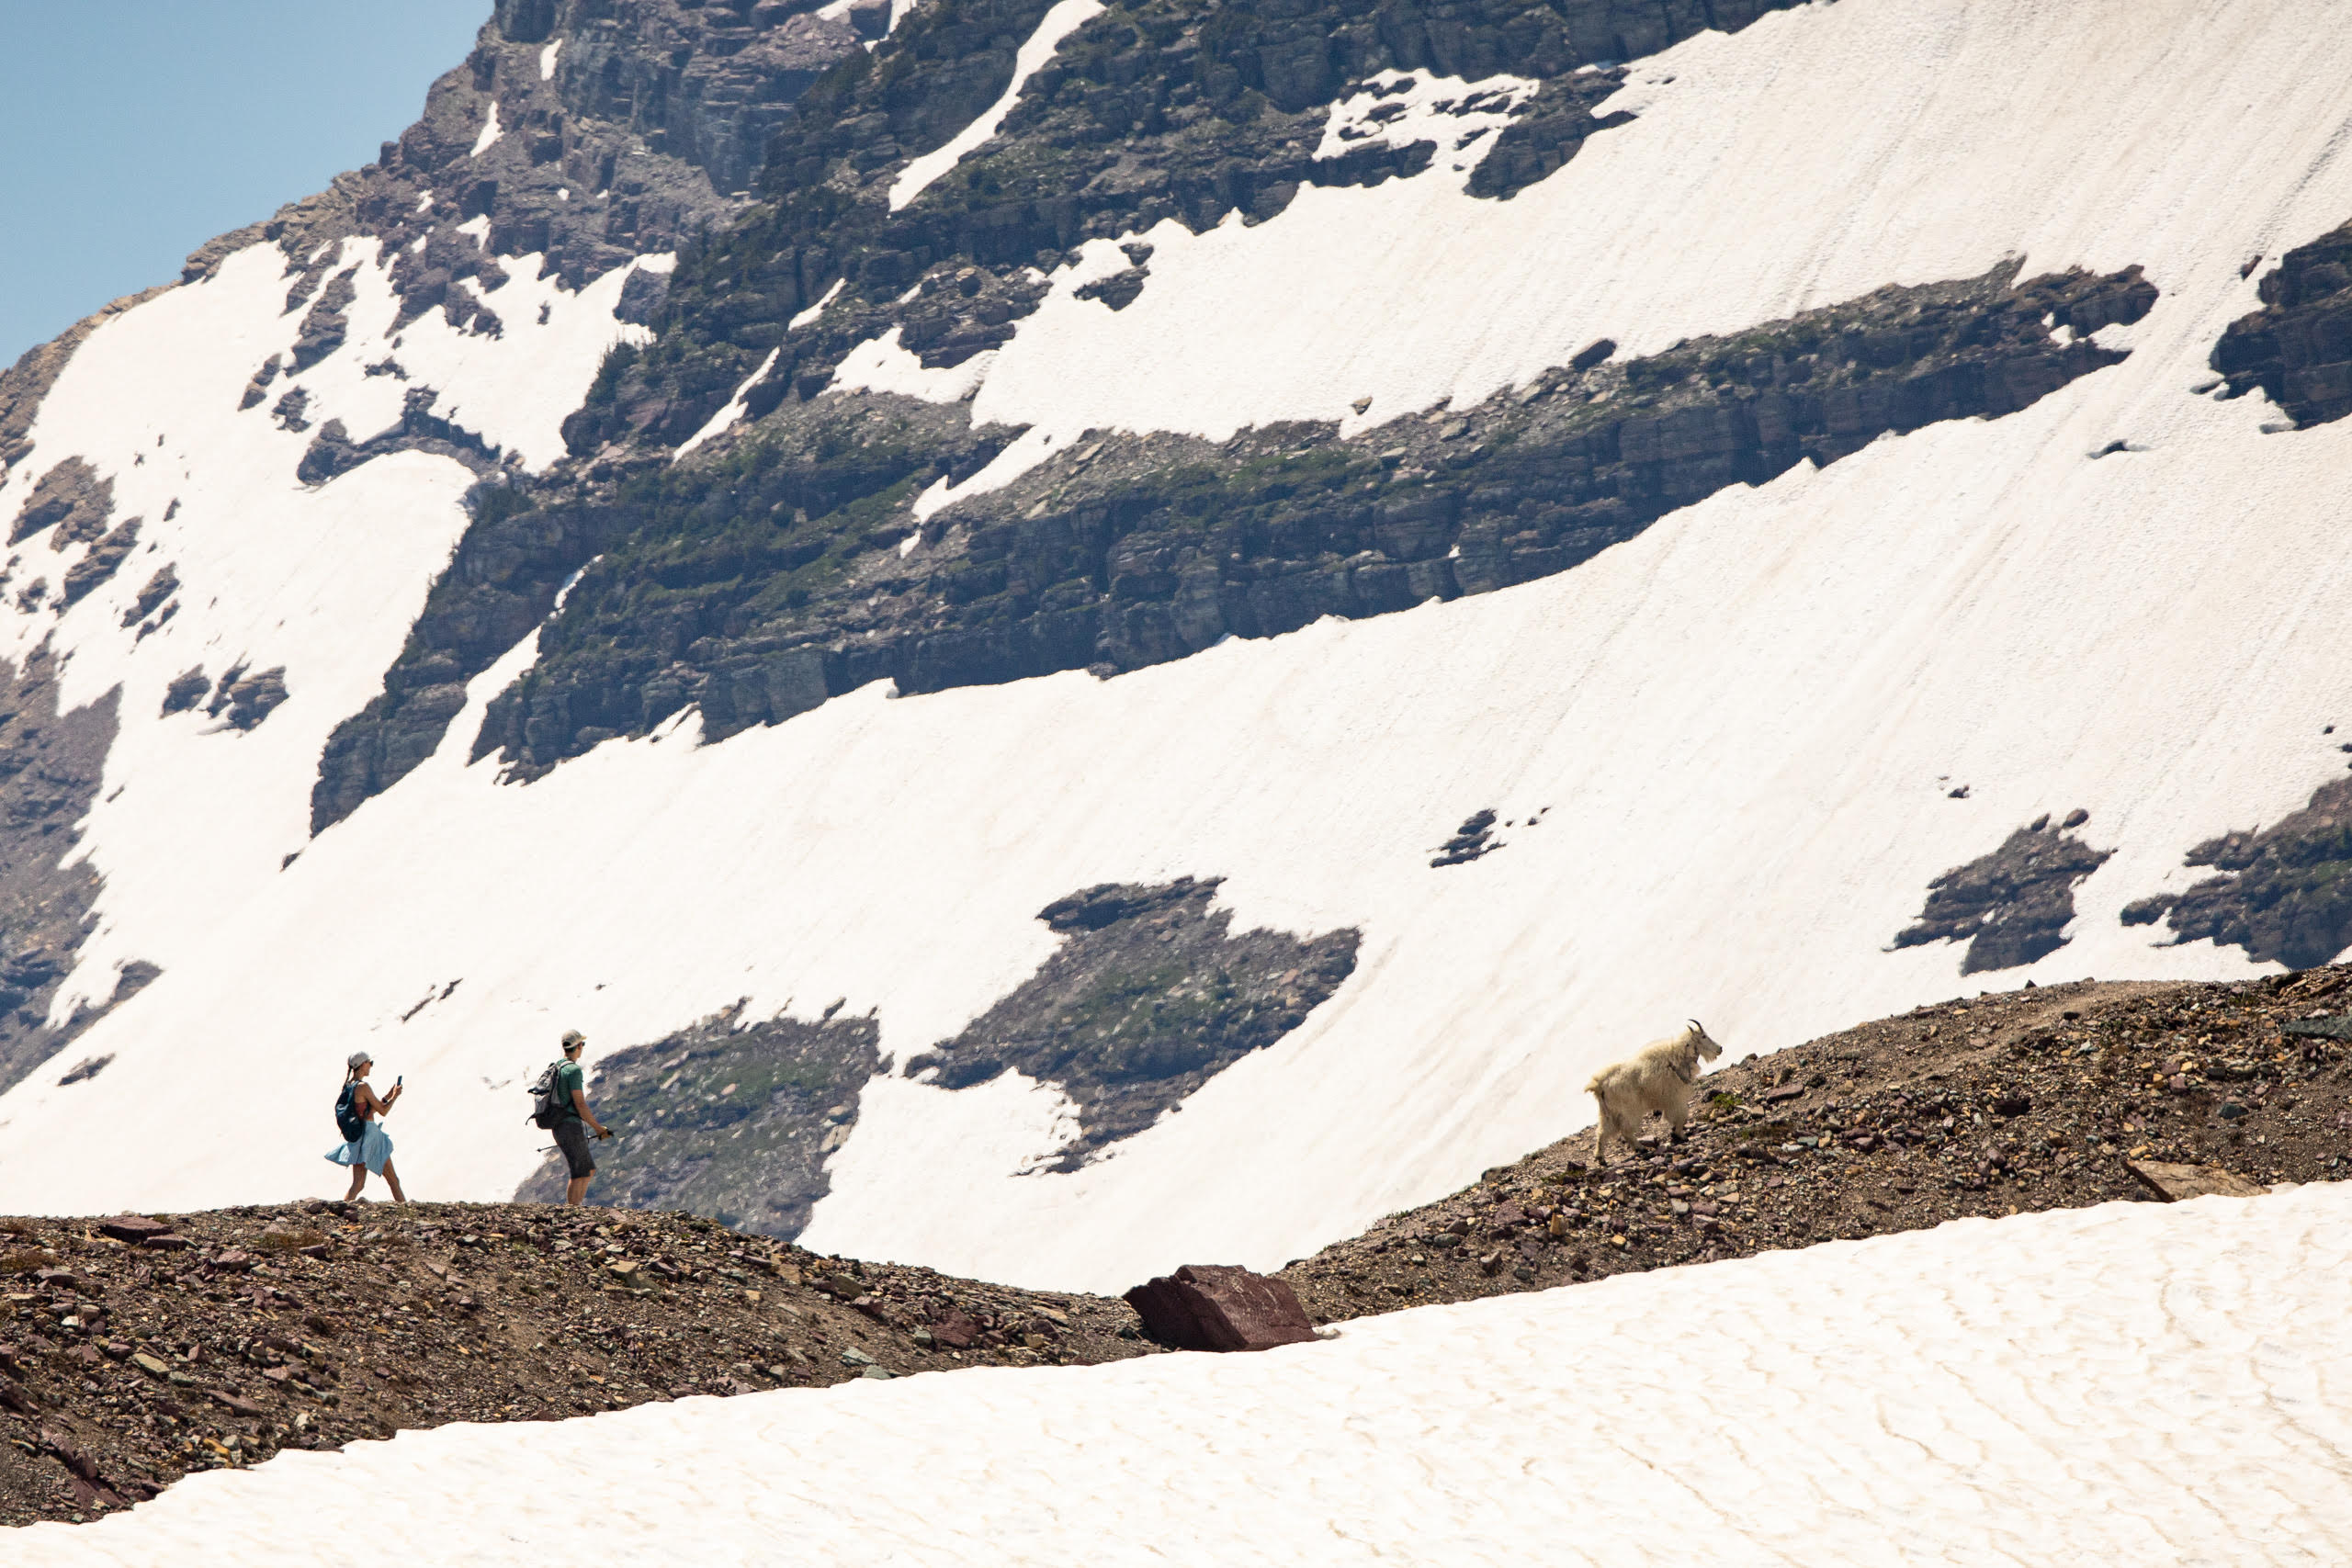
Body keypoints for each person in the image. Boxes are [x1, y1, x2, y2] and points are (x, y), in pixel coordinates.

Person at [327, 1051, 407, 1202]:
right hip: (371, 1136)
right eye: (370, 1063)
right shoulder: (363, 1087)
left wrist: (388, 1096)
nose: (371, 1066)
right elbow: (383, 1111)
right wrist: (395, 1096)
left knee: (357, 1184)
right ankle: (408, 1217)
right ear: (363, 1064)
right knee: (393, 1180)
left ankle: (344, 1211)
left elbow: (367, 1110)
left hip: (358, 1139)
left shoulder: (349, 1086)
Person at [550, 1029, 613, 1206]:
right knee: (582, 1172)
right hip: (570, 1126)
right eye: (582, 1045)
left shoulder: (557, 1067)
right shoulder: (573, 1071)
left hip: (559, 1126)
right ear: (578, 1046)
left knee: (586, 1170)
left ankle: (573, 1209)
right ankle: (573, 1211)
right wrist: (599, 1129)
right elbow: (580, 1105)